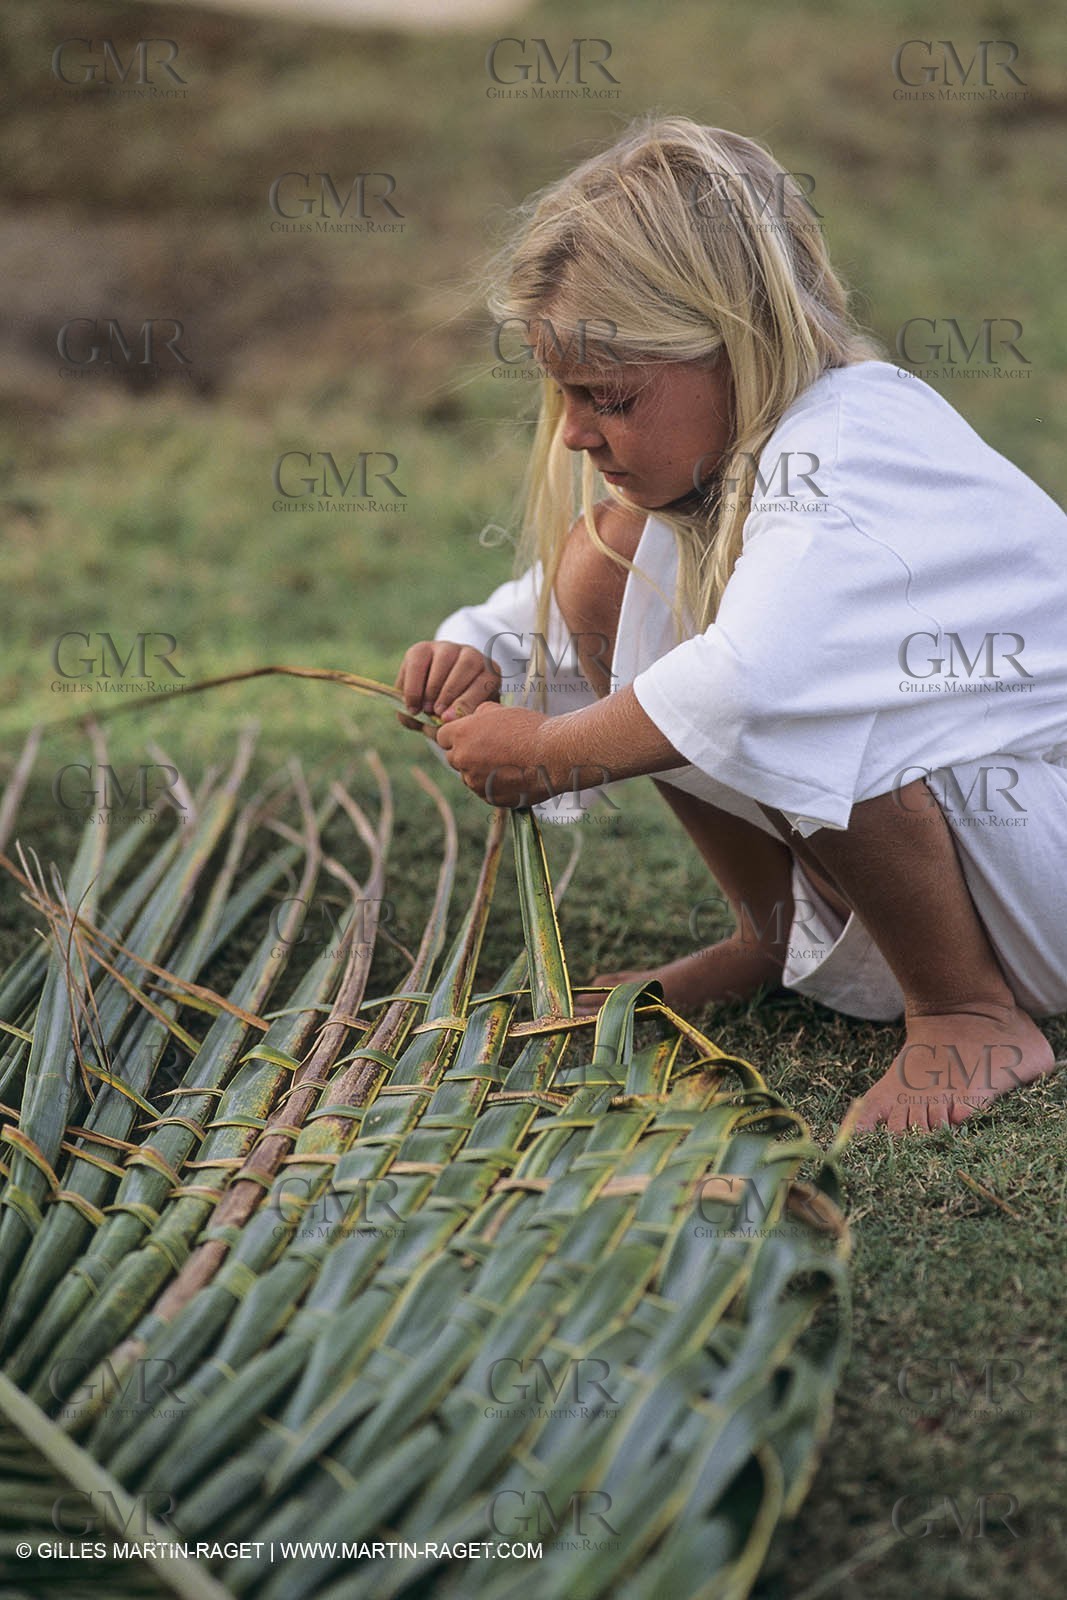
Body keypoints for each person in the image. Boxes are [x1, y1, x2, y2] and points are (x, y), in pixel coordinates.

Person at [395, 115, 1067, 1134]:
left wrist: (547, 755)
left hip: (1040, 852)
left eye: (607, 397)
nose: (574, 432)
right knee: (603, 562)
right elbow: (553, 606)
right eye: (564, 396)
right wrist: (476, 651)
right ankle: (773, 932)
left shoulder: (851, 448)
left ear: (733, 344)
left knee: (803, 683)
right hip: (973, 856)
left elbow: (757, 680)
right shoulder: (745, 457)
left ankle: (967, 1013)